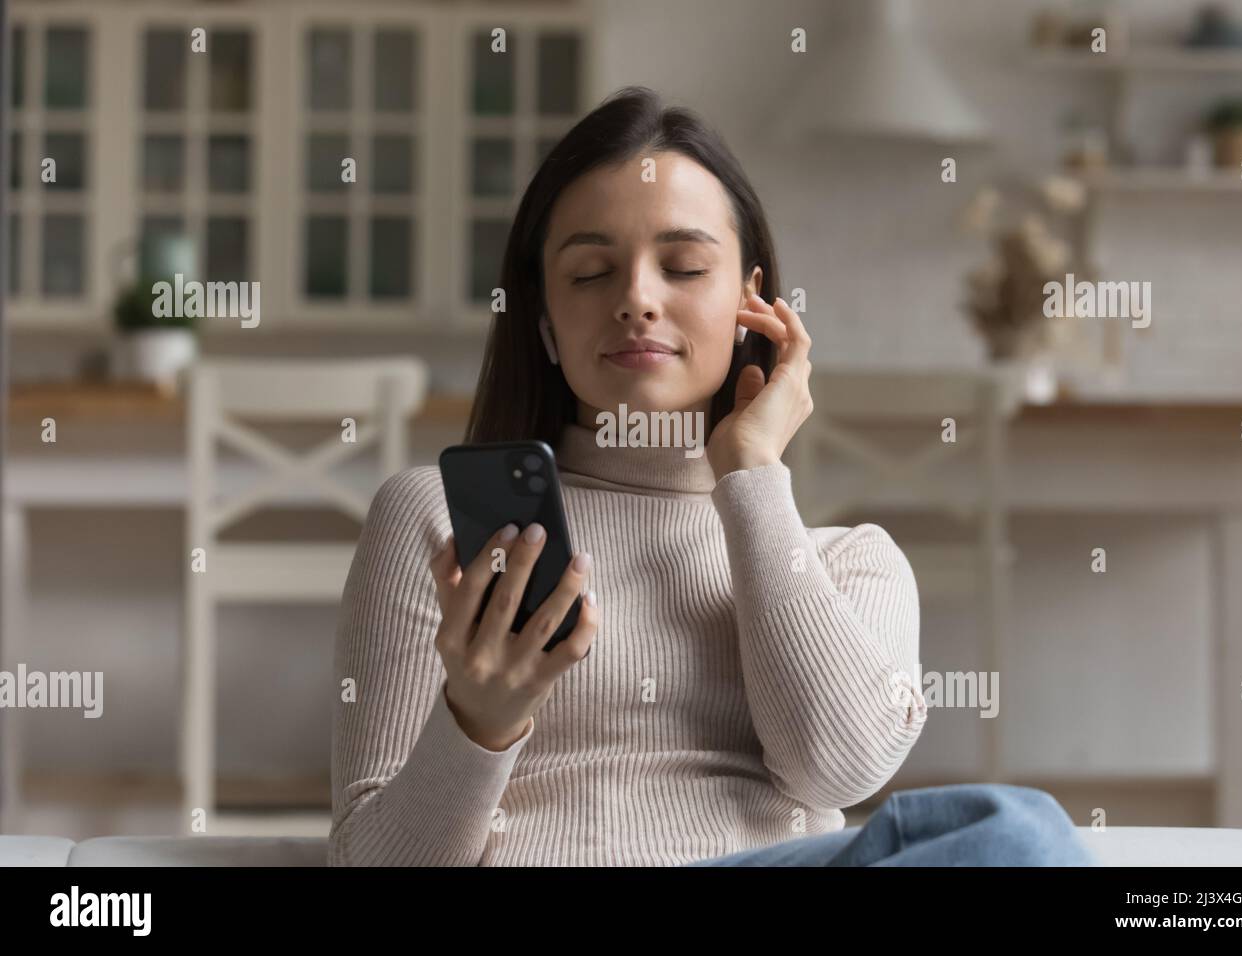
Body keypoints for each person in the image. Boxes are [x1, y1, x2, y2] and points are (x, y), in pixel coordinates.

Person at [329, 85, 1097, 867]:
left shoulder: (850, 563)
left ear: (750, 307)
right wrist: (479, 721)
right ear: (545, 327)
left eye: (685, 266)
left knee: (1019, 835)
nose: (637, 298)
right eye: (591, 273)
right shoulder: (440, 521)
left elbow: (837, 769)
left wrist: (751, 475)